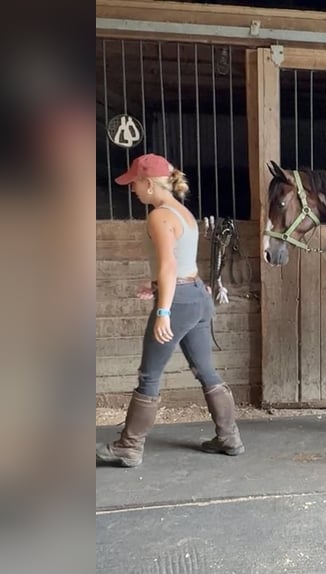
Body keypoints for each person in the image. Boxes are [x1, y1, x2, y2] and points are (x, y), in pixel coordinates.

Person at [96, 153, 244, 467]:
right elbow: (182, 262)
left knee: (149, 374)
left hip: (178, 302)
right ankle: (229, 437)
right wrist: (157, 286)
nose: (132, 189)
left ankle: (129, 446)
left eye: (134, 182)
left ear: (148, 183)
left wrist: (163, 310)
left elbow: (168, 264)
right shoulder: (183, 213)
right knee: (205, 370)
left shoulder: (159, 217)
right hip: (195, 295)